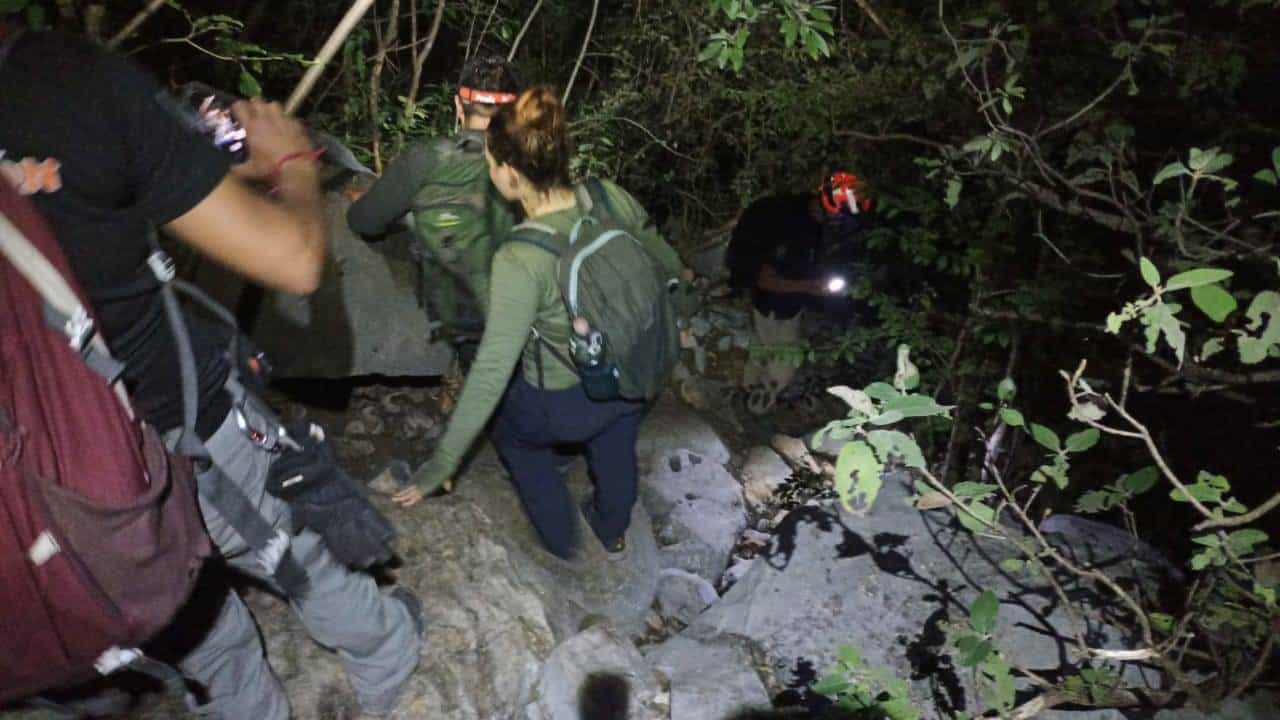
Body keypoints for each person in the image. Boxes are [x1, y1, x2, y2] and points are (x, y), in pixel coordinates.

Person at [0, 29, 420, 719]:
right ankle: (387, 653)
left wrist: (194, 169)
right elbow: (294, 260)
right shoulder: (57, 77)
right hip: (171, 421)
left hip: (53, 490)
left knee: (182, 611)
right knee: (289, 550)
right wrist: (294, 162)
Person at [392, 87, 688, 562]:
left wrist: (443, 463)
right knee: (616, 441)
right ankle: (612, 528)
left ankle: (565, 544)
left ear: (509, 174)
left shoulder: (522, 256)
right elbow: (670, 270)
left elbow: (492, 367)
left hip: (567, 403)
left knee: (515, 434)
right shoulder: (609, 198)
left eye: (491, 165)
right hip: (634, 375)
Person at [347, 55, 521, 366]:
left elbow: (364, 221)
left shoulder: (427, 158)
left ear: (458, 105)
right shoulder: (535, 166)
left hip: (470, 323)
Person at [726, 172, 873, 413]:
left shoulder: (806, 216)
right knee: (786, 359)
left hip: (773, 301)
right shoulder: (789, 225)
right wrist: (811, 287)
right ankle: (756, 407)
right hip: (774, 303)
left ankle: (747, 391)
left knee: (763, 345)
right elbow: (766, 279)